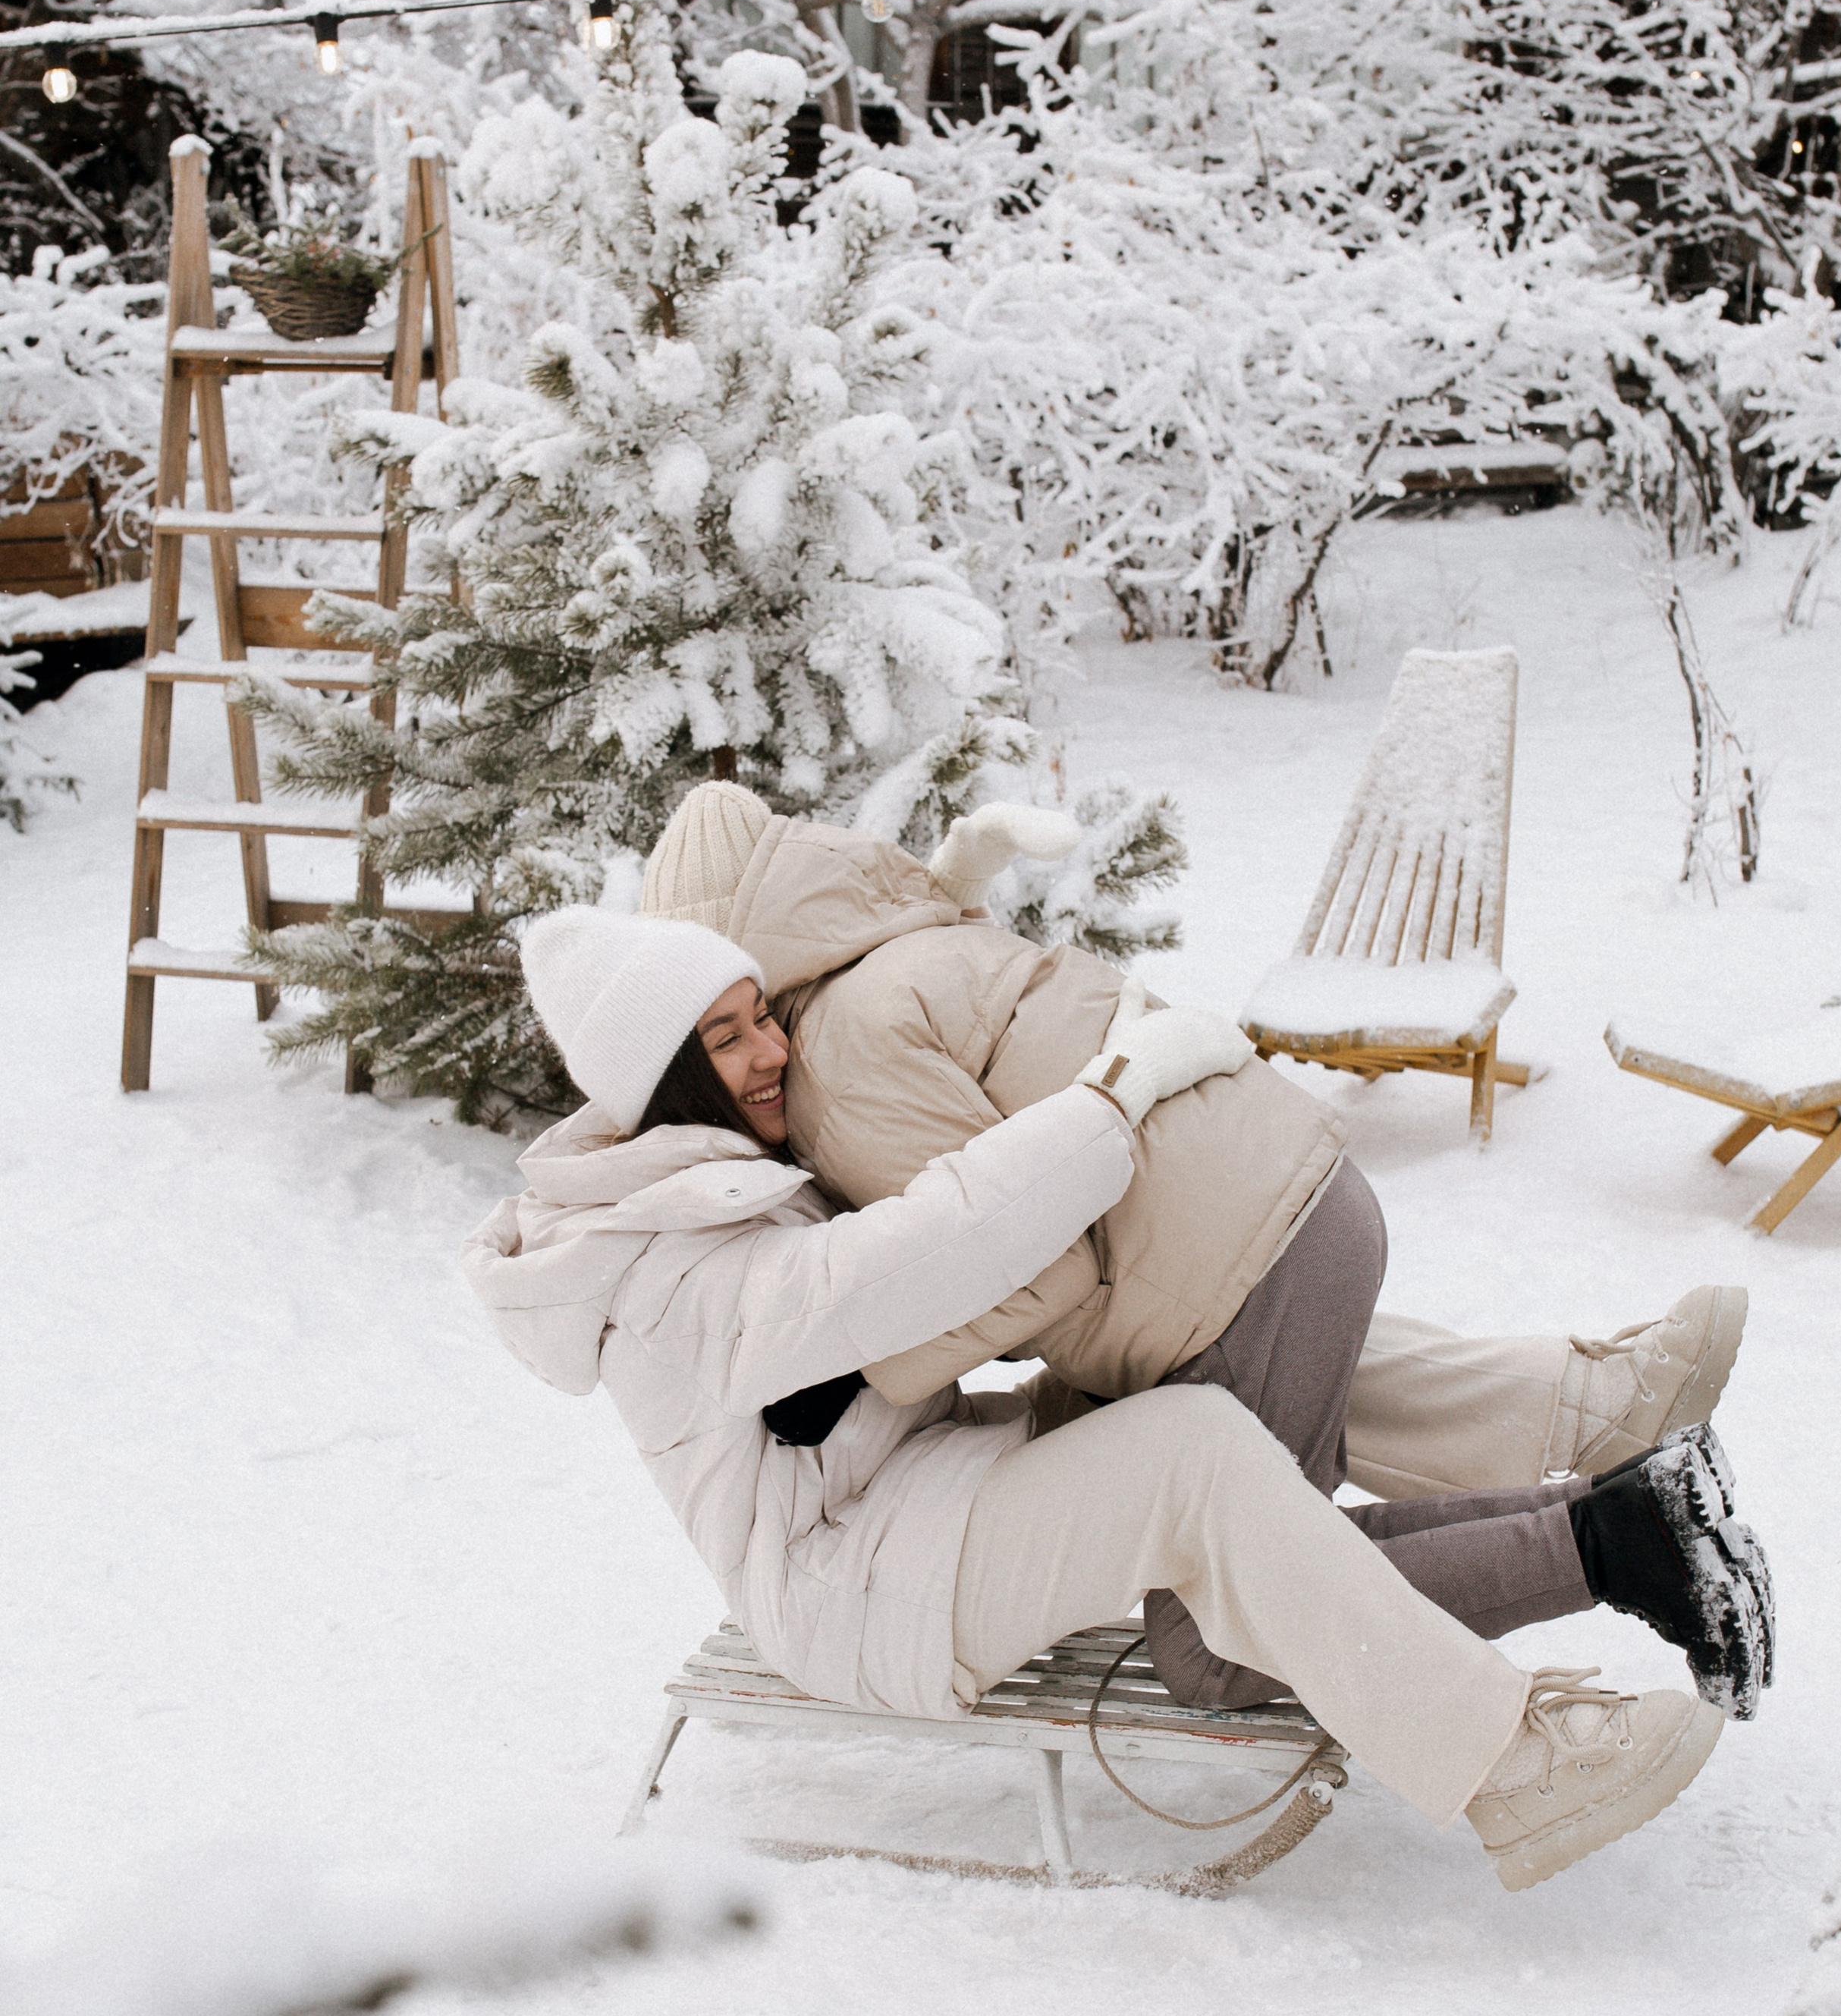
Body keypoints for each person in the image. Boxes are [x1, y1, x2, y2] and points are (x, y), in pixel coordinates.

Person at [463, 908, 1738, 1892]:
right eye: (726, 1037)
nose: (770, 1051)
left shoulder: (714, 1178)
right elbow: (930, 1246)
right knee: (1193, 1450)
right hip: (862, 1590)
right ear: (659, 1079)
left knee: (1191, 1319)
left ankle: (1585, 1409)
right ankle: (1510, 1767)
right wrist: (1115, 1095)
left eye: (760, 1016)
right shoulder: (658, 1262)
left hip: (924, 1495)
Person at [633, 782, 1772, 1711]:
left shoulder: (835, 1061)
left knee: (1221, 1640)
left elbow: (1037, 1267)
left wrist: (865, 1361)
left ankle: (1625, 1541)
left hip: (1237, 1270)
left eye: (728, 1009)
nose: (744, 1047)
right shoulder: (907, 951)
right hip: (1281, 1203)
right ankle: (1627, 1474)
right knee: (1254, 1527)